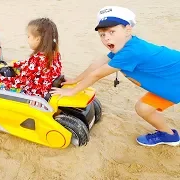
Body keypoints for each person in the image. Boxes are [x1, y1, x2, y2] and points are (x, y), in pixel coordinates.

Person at [50, 6, 180, 147]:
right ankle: (168, 135)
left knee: (143, 108)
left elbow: (97, 74)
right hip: (170, 84)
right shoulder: (123, 48)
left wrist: (71, 91)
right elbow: (97, 64)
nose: (106, 38)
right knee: (143, 108)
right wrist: (75, 80)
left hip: (175, 78)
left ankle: (168, 135)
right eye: (102, 34)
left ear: (127, 30)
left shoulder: (131, 52)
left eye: (112, 31)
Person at [0, 17, 62, 101]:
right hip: (44, 91)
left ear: (37, 39)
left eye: (28, 37)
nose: (27, 40)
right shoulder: (55, 54)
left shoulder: (36, 59)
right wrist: (16, 64)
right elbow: (34, 66)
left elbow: (19, 83)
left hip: (32, 95)